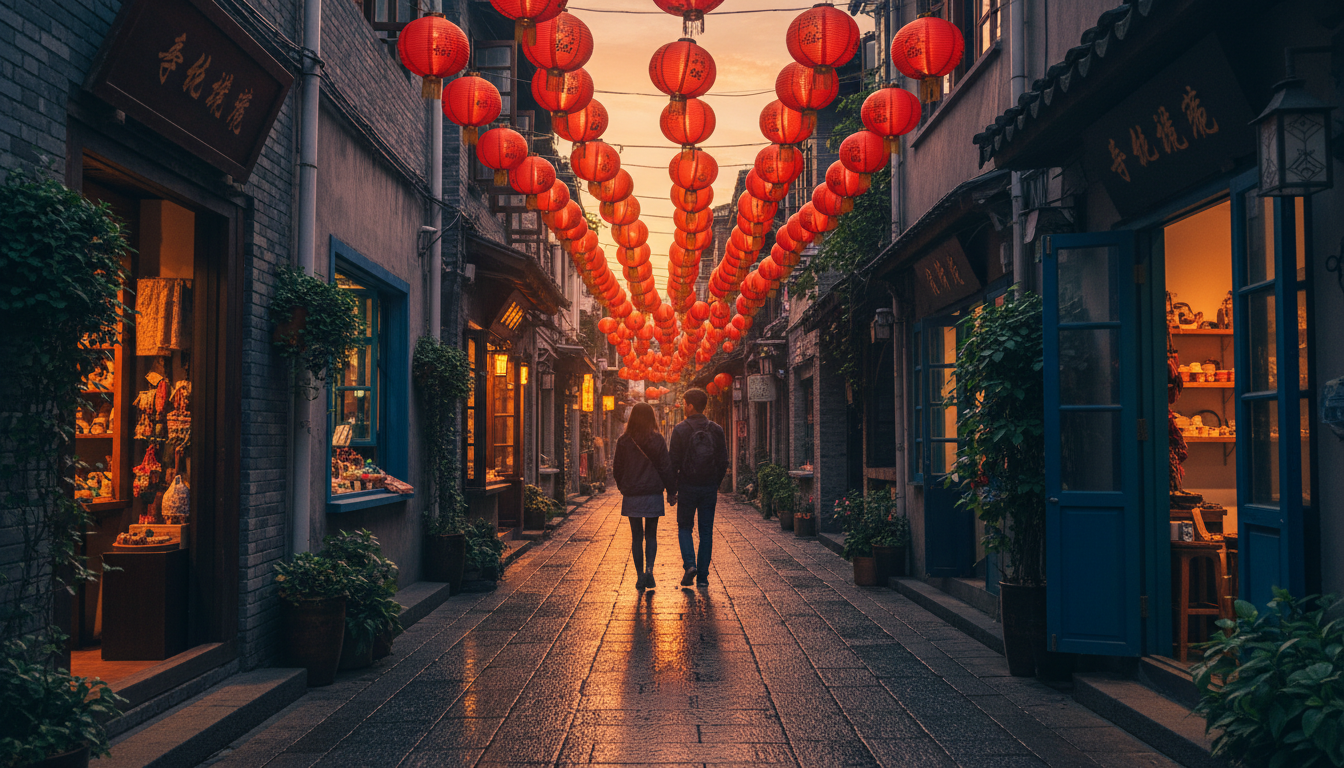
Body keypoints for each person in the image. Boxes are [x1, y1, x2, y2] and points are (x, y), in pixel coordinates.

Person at [611, 402, 676, 592]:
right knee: (652, 535)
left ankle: (640, 575)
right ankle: (650, 571)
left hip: (633, 493)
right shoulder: (657, 439)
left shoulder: (624, 441)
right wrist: (671, 491)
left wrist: (623, 487)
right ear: (651, 418)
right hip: (653, 493)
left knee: (636, 536)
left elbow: (617, 469)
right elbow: (666, 467)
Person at [668, 388, 729, 587]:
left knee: (685, 527)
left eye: (685, 403)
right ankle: (702, 577)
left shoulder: (680, 429)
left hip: (687, 487)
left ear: (691, 405)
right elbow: (723, 462)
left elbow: (673, 462)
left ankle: (689, 565)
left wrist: (672, 489)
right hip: (708, 488)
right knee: (706, 532)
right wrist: (715, 483)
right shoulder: (717, 429)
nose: (684, 407)